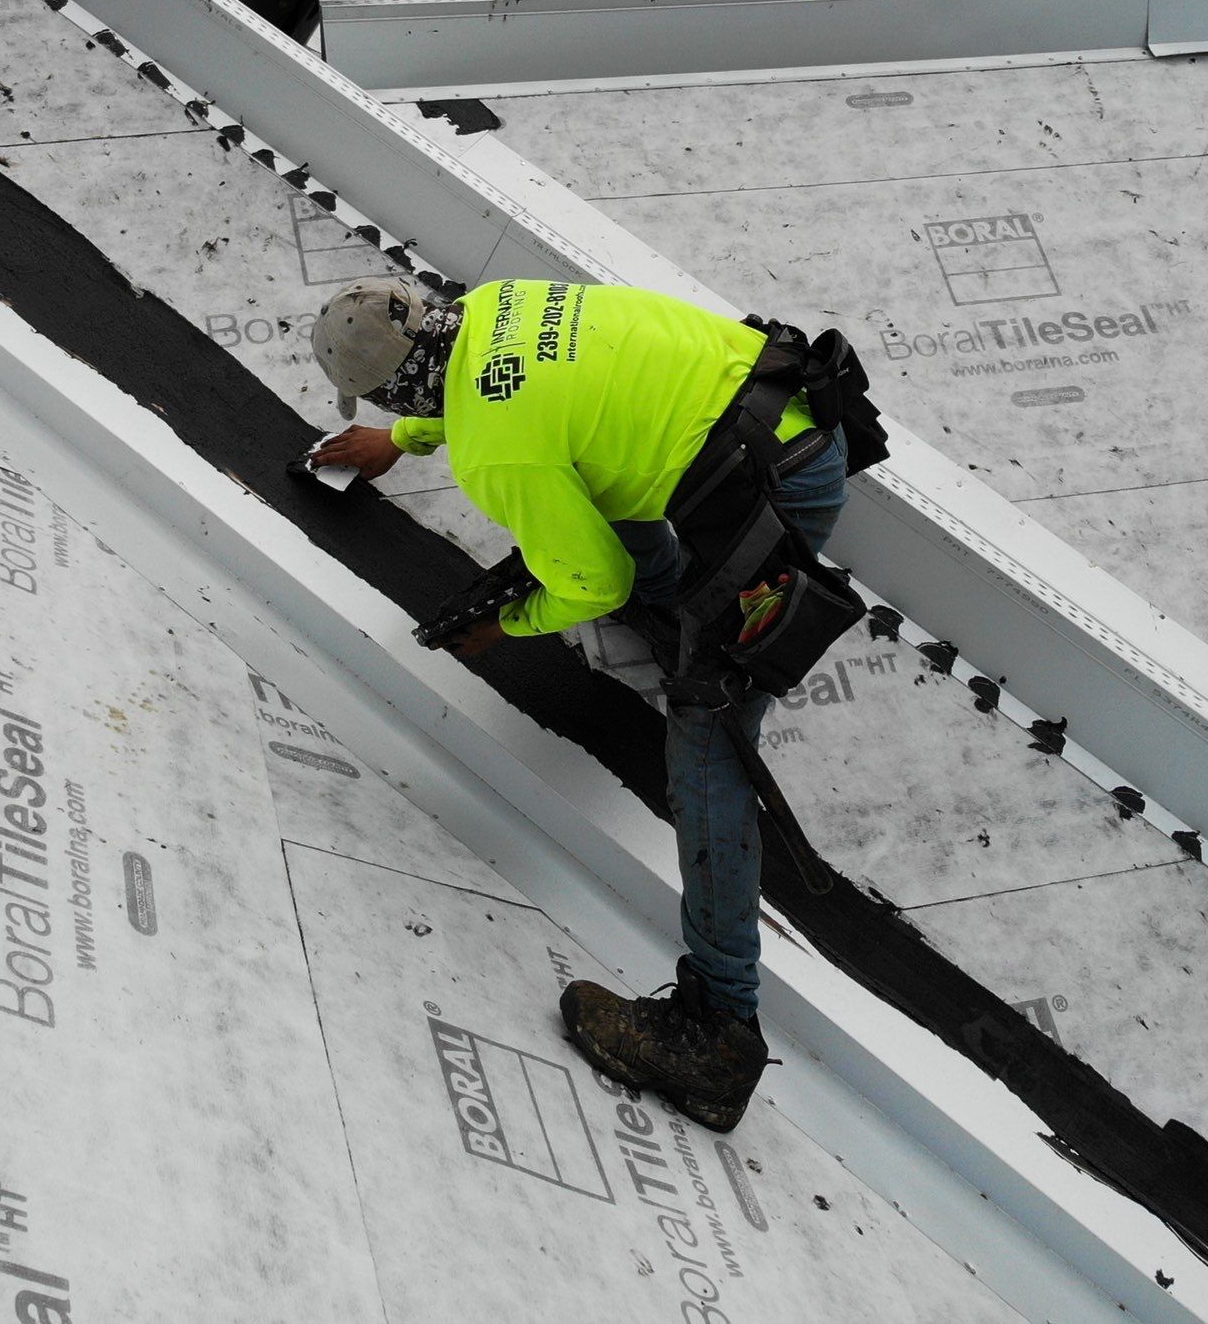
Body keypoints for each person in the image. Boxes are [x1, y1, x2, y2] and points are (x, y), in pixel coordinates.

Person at [309, 275, 848, 1133]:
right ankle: (678, 612)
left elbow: (591, 581)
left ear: (393, 382)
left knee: (708, 735)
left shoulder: (498, 453)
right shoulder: (494, 307)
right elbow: (497, 382)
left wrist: (513, 621)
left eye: (384, 400)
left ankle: (716, 1031)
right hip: (783, 407)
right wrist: (401, 441)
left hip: (771, 490)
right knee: (600, 475)